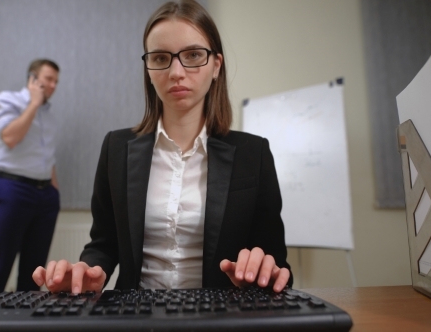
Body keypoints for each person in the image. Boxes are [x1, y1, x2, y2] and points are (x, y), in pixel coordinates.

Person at [33, 0, 292, 294]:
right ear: (148, 68)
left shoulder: (253, 154)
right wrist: (88, 271)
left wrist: (265, 274)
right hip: (135, 316)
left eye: (193, 55)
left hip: (222, 317)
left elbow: (278, 263)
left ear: (216, 66)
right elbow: (103, 244)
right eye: (160, 58)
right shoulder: (116, 148)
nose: (176, 72)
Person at [0, 59, 61, 293]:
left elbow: (48, 156)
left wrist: (54, 191)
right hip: (13, 188)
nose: (53, 85)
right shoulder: (8, 100)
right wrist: (34, 104)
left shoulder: (50, 115)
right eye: (48, 79)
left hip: (45, 194)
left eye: (56, 81)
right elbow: (10, 138)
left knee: (34, 274)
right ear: (33, 79)